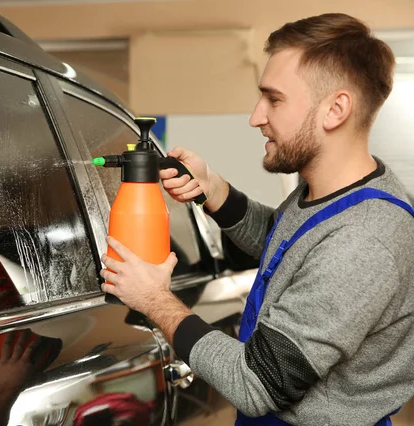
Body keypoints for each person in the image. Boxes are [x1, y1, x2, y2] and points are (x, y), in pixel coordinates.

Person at [99, 13, 414, 426]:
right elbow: (291, 248)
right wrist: (215, 190)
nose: (255, 117)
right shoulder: (337, 195)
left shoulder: (363, 240)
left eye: (274, 99)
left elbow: (256, 384)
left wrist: (153, 299)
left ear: (335, 109)